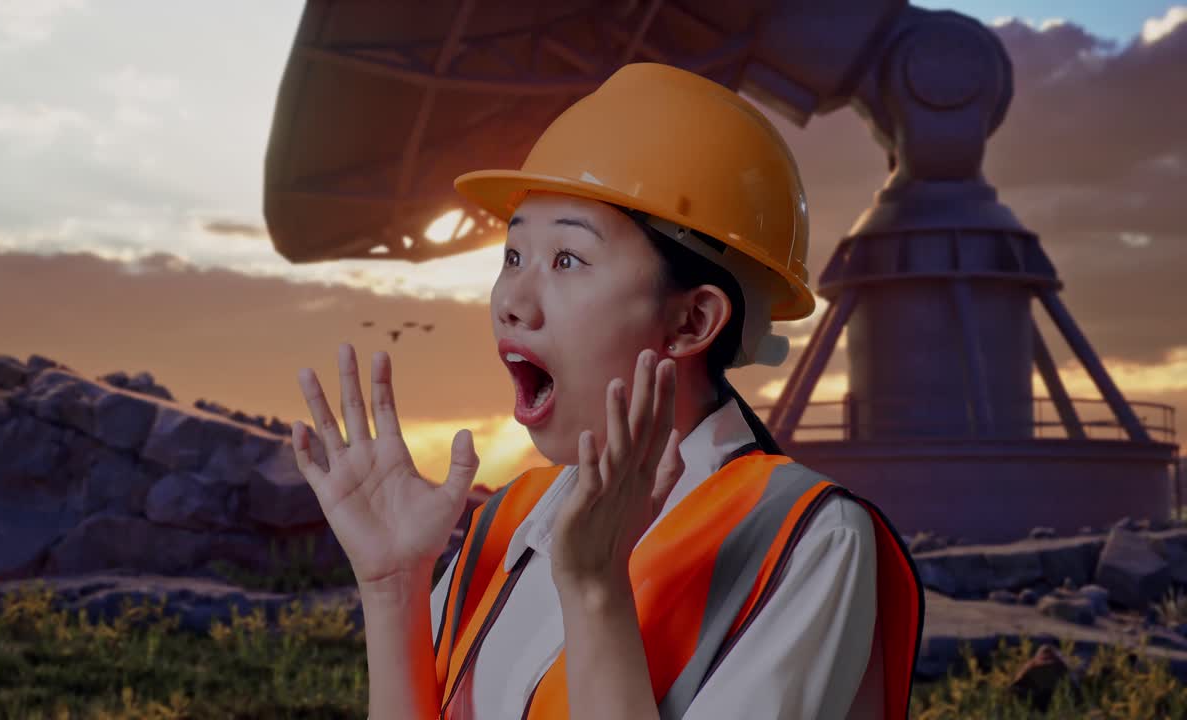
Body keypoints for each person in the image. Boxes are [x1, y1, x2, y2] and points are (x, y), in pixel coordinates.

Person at [292, 63, 923, 720]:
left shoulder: (809, 540)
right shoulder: (506, 523)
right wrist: (394, 588)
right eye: (513, 257)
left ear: (692, 321)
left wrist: (597, 592)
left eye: (567, 259)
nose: (511, 300)